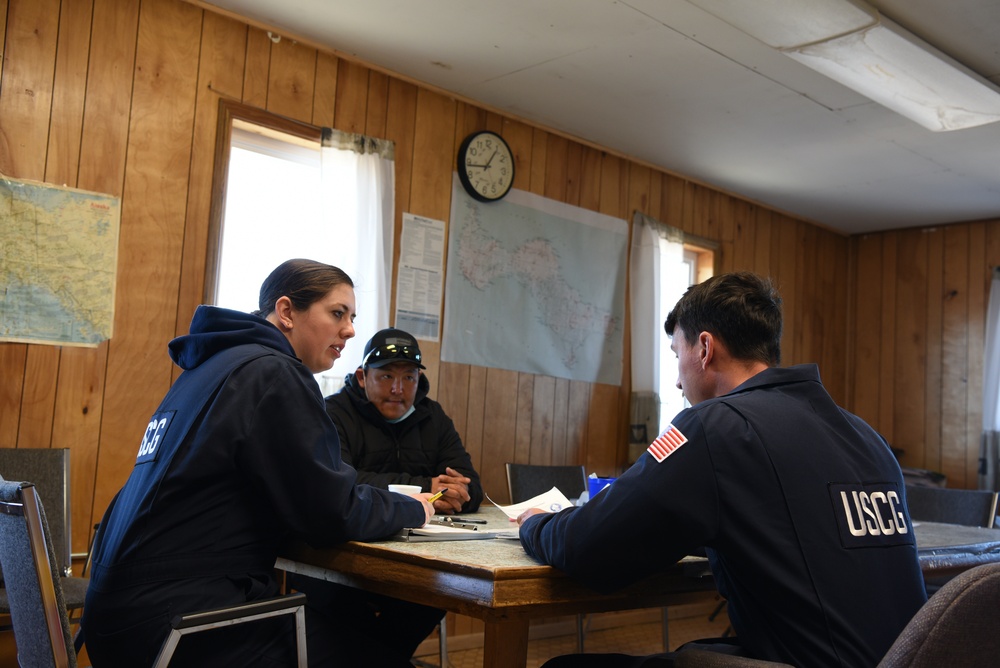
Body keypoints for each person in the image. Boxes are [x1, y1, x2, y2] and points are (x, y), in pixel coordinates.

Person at [517, 272, 927, 668]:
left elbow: (587, 546)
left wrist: (536, 522)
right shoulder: (864, 435)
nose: (678, 382)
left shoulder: (713, 426)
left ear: (705, 349)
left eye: (677, 355)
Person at [81, 259, 435, 668]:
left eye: (352, 317)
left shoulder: (213, 366)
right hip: (181, 624)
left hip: (117, 617)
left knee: (352, 634)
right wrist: (413, 508)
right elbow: (331, 512)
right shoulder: (273, 374)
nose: (350, 330)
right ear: (286, 312)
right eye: (337, 313)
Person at [288, 326, 484, 665]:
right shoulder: (333, 411)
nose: (398, 389)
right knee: (335, 598)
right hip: (337, 554)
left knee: (437, 593)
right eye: (387, 376)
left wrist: (460, 492)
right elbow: (339, 480)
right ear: (363, 377)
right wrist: (427, 488)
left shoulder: (432, 416)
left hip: (413, 555)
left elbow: (469, 483)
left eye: (409, 378)